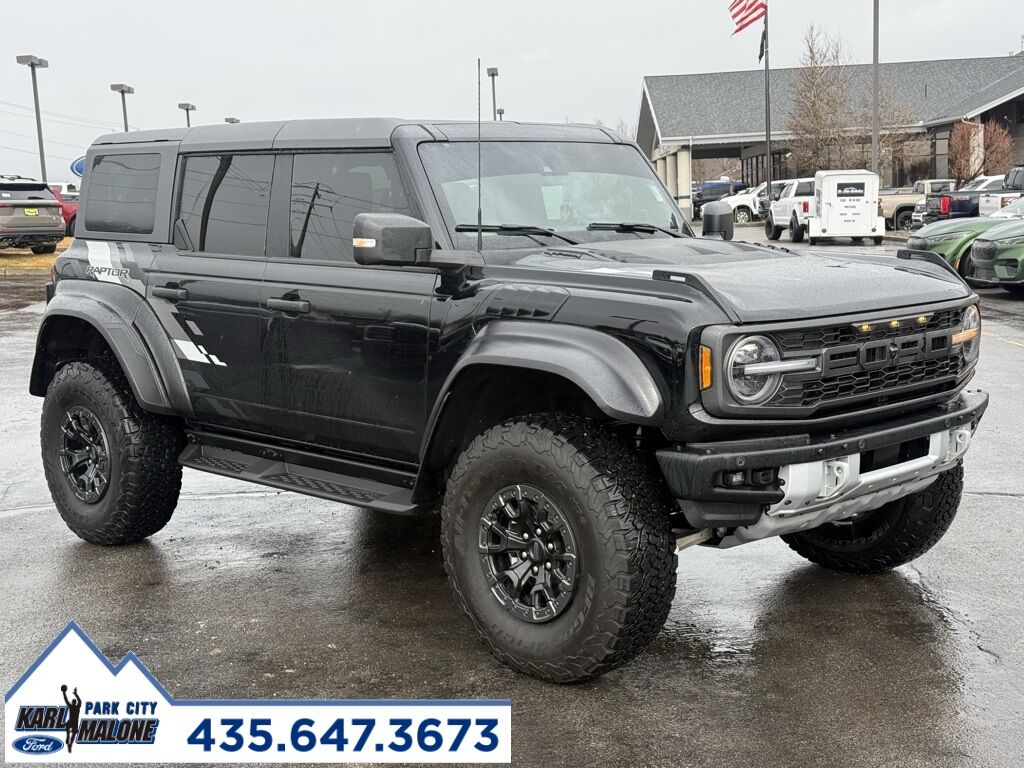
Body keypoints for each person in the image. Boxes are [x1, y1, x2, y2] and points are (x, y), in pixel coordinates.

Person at [60, 684, 81, 753]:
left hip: (74, 722)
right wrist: (64, 693)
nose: (74, 702)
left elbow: (79, 701)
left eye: (74, 701)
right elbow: (66, 700)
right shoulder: (73, 706)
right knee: (67, 727)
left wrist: (75, 694)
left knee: (73, 732)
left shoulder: (76, 706)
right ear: (73, 702)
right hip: (72, 721)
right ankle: (68, 736)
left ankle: (70, 744)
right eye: (73, 701)